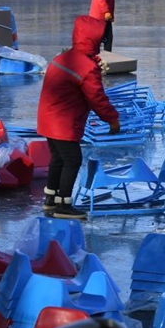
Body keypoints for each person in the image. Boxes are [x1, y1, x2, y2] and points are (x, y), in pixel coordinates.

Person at [37, 15, 120, 219]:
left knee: (58, 158)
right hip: (62, 122)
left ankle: (51, 199)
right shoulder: (86, 67)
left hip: (48, 118)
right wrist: (112, 119)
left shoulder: (62, 58)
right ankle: (64, 205)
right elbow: (97, 98)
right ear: (93, 40)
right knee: (73, 160)